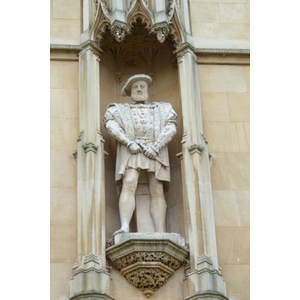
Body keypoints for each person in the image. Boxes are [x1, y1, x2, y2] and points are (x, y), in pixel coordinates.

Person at [104, 74, 177, 234]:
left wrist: (156, 147)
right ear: (129, 92)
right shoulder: (119, 110)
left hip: (155, 151)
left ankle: (160, 231)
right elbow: (110, 124)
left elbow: (171, 127)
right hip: (132, 150)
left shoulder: (162, 109)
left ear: (148, 90)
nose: (139, 89)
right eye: (135, 87)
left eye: (142, 86)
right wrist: (128, 142)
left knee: (157, 188)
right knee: (129, 182)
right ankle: (125, 225)